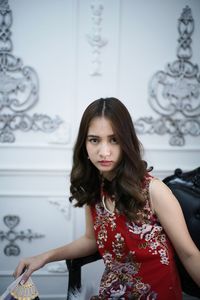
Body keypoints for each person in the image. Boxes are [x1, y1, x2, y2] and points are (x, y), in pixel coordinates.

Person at [14, 97, 200, 299]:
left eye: (114, 139)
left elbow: (189, 254)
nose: (104, 152)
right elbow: (91, 239)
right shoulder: (94, 190)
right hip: (113, 294)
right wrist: (44, 257)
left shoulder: (154, 191)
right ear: (84, 144)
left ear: (126, 142)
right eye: (94, 140)